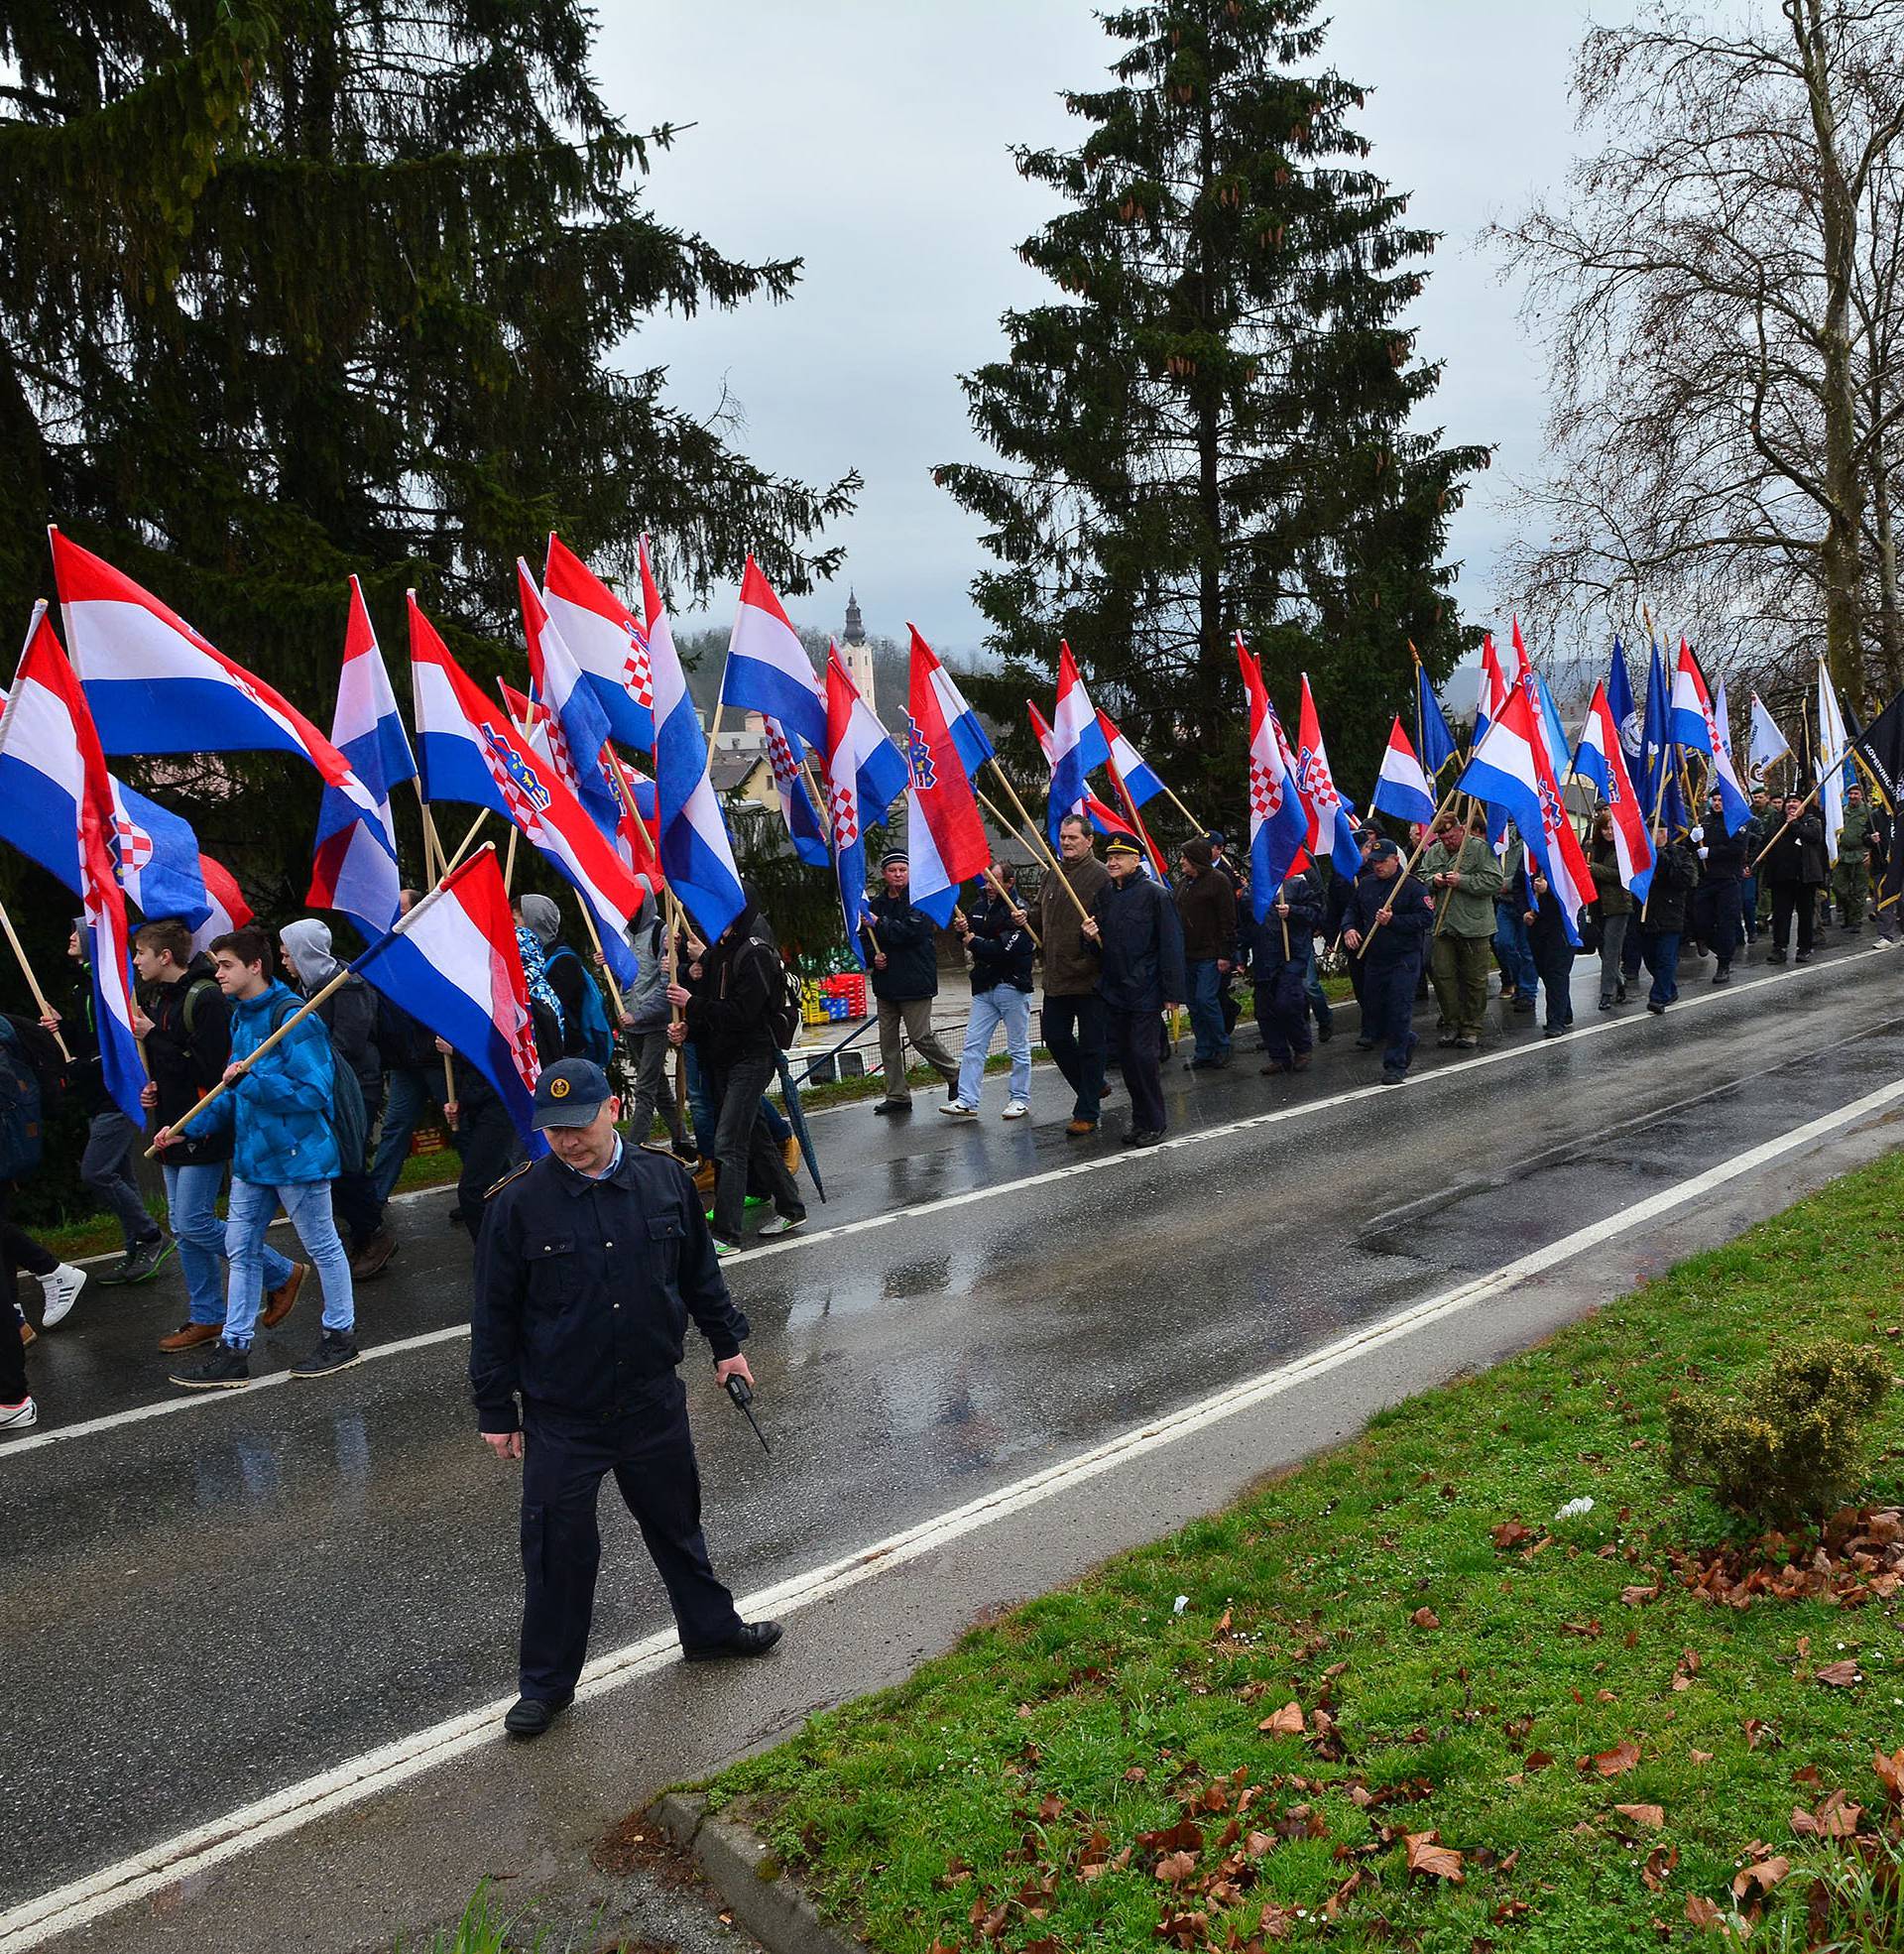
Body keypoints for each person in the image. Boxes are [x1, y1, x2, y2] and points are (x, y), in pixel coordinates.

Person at [469, 1057, 782, 1738]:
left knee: (677, 1526)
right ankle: (547, 1687)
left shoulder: (664, 1178)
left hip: (651, 1401)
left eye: (578, 1126)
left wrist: (726, 1345)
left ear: (611, 1107)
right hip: (563, 1415)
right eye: (552, 1131)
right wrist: (497, 1409)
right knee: (558, 1553)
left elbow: (700, 1274)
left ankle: (709, 1631)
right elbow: (493, 1316)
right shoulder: (518, 1203)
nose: (567, 1142)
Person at [156, 925, 359, 1387]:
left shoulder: (295, 1017)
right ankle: (235, 1348)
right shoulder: (240, 1017)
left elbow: (313, 1092)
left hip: (298, 1156)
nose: (218, 974)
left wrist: (252, 1082)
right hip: (253, 1159)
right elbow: (231, 1094)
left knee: (322, 1245)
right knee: (240, 1250)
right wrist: (187, 1129)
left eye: (226, 965)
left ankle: (340, 1334)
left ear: (255, 967)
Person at [131, 917, 304, 1353]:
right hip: (172, 1125)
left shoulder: (205, 998)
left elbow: (213, 1071)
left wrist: (157, 1037)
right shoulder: (160, 999)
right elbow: (172, 1064)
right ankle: (206, 1314)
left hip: (203, 1126)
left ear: (165, 956)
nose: (135, 961)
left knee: (193, 1220)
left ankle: (280, 1270)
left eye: (141, 953)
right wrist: (153, 1090)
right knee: (183, 1227)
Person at [669, 891, 804, 1254]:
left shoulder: (755, 953)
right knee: (757, 1137)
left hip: (753, 1056)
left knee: (729, 1141)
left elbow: (744, 1014)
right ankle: (792, 1207)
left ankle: (726, 1234)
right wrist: (688, 1029)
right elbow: (714, 1012)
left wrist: (692, 1004)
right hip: (725, 1058)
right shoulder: (719, 953)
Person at [48, 924, 171, 1285]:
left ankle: (151, 1237)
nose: (70, 936)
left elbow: (114, 1048)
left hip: (115, 1094)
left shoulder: (105, 988)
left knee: (97, 1172)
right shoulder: (82, 987)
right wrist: (62, 1028)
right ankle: (137, 1249)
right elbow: (88, 1039)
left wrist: (79, 1069)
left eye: (76, 931)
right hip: (97, 1097)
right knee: (121, 1175)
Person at [281, 918, 396, 1281]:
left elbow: (349, 1042)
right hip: (327, 1086)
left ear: (305, 953)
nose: (283, 960)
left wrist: (304, 1057)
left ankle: (373, 1234)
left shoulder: (348, 987)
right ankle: (359, 1233)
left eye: (287, 953)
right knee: (337, 1165)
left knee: (348, 1163)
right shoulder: (306, 986)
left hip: (355, 1086)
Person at [1080, 833, 1186, 1146]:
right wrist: (1087, 937)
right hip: (1115, 990)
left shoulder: (1157, 896)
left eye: (1120, 857)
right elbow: (1100, 949)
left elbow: (1171, 945)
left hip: (1146, 990)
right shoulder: (1106, 895)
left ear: (1136, 860)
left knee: (1143, 1057)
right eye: (1110, 857)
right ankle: (1140, 1121)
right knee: (1126, 1059)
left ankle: (1155, 1122)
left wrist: (1172, 993)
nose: (1112, 862)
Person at [370, 890, 456, 1208]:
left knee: (459, 1122)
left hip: (435, 1057)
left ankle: (486, 1187)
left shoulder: (436, 950)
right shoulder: (387, 950)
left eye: (401, 908)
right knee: (395, 1128)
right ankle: (375, 1199)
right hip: (405, 1060)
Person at [863, 849, 960, 1115]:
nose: (898, 874)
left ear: (910, 873)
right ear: (884, 874)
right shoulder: (876, 904)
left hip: (915, 979)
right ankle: (897, 1095)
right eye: (892, 870)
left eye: (902, 870)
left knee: (920, 1036)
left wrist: (879, 923)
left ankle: (954, 1073)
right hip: (886, 983)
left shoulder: (919, 901)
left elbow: (911, 932)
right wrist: (873, 958)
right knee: (888, 1043)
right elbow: (865, 938)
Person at [1036, 813, 1113, 1137]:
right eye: (1063, 837)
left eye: (1073, 838)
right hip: (1056, 974)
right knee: (1054, 1036)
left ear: (1089, 840)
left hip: (1089, 975)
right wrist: (1022, 917)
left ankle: (1086, 1112)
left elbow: (1112, 922)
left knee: (1093, 1046)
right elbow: (1040, 914)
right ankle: (1091, 1086)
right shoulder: (1053, 873)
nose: (1066, 843)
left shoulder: (1101, 877)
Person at [944, 864, 1035, 1120]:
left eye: (994, 881)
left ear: (1009, 882)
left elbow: (1004, 949)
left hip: (1012, 984)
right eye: (986, 881)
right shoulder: (978, 906)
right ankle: (966, 1099)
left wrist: (973, 941)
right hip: (984, 985)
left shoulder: (1020, 911)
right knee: (973, 1044)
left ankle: (1019, 1098)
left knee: (1017, 1046)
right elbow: (966, 937)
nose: (989, 887)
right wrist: (961, 930)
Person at [1340, 839, 1433, 1084]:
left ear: (1395, 859)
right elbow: (1352, 910)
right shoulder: (1367, 885)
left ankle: (1395, 1064)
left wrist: (1394, 921)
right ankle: (1406, 1038)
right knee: (1375, 1007)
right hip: (1375, 957)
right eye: (1374, 862)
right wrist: (1349, 928)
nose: (1378, 866)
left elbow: (1425, 919)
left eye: (1382, 862)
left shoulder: (1412, 887)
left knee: (1399, 1009)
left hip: (1403, 957)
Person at [617, 889, 695, 1162]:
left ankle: (633, 1149)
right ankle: (682, 1139)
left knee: (645, 1086)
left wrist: (639, 1015)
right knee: (660, 1088)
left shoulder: (661, 932)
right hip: (632, 1024)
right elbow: (621, 975)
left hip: (655, 1025)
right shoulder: (623, 933)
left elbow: (667, 986)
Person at [1422, 806, 1504, 1050]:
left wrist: (1463, 881)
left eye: (1452, 837)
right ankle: (1451, 1023)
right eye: (1443, 839)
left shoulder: (1479, 849)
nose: (1448, 842)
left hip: (1474, 925)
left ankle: (1471, 1027)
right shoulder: (1434, 852)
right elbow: (1422, 875)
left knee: (1474, 979)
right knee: (1442, 976)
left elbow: (1494, 881)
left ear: (1461, 829)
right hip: (1443, 924)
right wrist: (1433, 880)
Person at [516, 894, 613, 1065]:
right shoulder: (530, 958)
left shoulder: (564, 960)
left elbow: (548, 1009)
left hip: (565, 1053)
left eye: (515, 921)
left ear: (535, 922)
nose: (512, 928)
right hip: (543, 1049)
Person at [1174, 836, 1237, 1071]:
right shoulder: (1182, 884)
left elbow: (1228, 919)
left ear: (1196, 860)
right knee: (1193, 1004)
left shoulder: (1217, 881)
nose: (1181, 862)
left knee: (1205, 999)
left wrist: (1225, 953)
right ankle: (1204, 1050)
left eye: (1185, 858)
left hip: (1211, 953)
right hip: (1187, 954)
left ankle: (1222, 1045)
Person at [1253, 868, 1323, 1076]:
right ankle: (1279, 1056)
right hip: (1264, 958)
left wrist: (1293, 911)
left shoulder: (1297, 885)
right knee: (1264, 1010)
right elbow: (1246, 924)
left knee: (1287, 1004)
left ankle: (1302, 1048)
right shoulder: (1254, 889)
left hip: (1290, 955)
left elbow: (1316, 914)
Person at [1761, 793, 1829, 964]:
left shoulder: (1811, 821)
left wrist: (1795, 824)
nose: (1791, 804)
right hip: (1781, 878)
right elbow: (1765, 842)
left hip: (1804, 877)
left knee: (1805, 915)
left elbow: (1814, 837)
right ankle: (1779, 948)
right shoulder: (1776, 822)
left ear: (1803, 804)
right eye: (1788, 802)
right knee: (1781, 915)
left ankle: (1804, 948)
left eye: (1795, 801)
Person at [1639, 825, 1700, 1013]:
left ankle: (1658, 997)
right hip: (1647, 913)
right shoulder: (1640, 853)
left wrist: (1663, 860)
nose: (1660, 834)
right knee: (1650, 958)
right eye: (1655, 831)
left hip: (1670, 912)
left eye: (1663, 830)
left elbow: (1686, 880)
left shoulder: (1680, 853)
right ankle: (1669, 989)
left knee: (1666, 958)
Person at [1690, 790, 1745, 984]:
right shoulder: (1705, 821)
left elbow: (1738, 848)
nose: (1717, 803)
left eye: (1721, 800)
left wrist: (1711, 852)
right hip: (1707, 879)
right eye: (1714, 800)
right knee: (1700, 920)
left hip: (1728, 879)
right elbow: (1693, 850)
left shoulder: (1735, 822)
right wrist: (1693, 839)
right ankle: (1720, 949)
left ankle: (1724, 963)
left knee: (1726, 923)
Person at [1521, 857, 1575, 1038]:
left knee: (1556, 971)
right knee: (1544, 970)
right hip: (1537, 923)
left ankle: (1555, 1021)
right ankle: (1564, 1010)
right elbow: (1518, 886)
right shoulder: (1529, 857)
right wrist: (1525, 911)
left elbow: (1576, 888)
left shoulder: (1565, 853)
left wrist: (1549, 890)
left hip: (1562, 922)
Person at [1586, 807, 1633, 1010]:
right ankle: (1619, 982)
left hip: (1617, 905)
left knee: (1612, 950)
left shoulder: (1624, 848)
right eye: (1605, 828)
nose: (1609, 832)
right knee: (1603, 950)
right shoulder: (1592, 847)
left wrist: (1593, 869)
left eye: (1612, 828)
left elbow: (1620, 874)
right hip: (1596, 905)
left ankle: (1606, 993)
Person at [1491, 826, 1539, 1014]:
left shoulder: (1533, 838)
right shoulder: (1503, 836)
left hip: (1526, 902)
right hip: (1505, 903)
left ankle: (1528, 992)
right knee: (1502, 943)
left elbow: (1532, 870)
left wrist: (1507, 883)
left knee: (1526, 950)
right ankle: (1519, 981)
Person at [1739, 785, 1773, 942]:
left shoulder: (1771, 814)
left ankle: (1762, 917)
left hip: (1766, 857)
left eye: (1760, 797)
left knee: (1763, 889)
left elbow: (1767, 835)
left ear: (1766, 798)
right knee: (1747, 896)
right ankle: (1753, 922)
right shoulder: (1747, 814)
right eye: (1755, 797)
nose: (1757, 800)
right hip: (1749, 859)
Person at [1837, 782, 1871, 933]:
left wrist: (1870, 852)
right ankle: (1847, 915)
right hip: (1843, 854)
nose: (1852, 796)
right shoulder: (1841, 812)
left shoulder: (1869, 812)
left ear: (1861, 795)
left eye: (1856, 794)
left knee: (1859, 890)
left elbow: (1874, 834)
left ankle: (1855, 920)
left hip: (1860, 854)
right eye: (1850, 794)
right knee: (1839, 888)